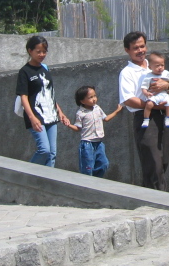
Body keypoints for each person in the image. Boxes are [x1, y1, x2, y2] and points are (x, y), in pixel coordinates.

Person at [118, 31, 169, 191]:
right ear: (127, 50)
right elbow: (128, 100)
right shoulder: (127, 73)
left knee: (163, 162)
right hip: (146, 119)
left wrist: (167, 85)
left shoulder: (155, 66)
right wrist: (154, 106)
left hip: (163, 117)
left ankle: (149, 195)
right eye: (135, 48)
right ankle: (158, 199)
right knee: (153, 163)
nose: (140, 51)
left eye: (142, 46)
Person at [16, 35, 70, 167]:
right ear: (30, 51)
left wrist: (60, 112)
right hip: (36, 115)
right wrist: (32, 117)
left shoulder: (45, 68)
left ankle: (48, 179)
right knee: (44, 150)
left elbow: (49, 93)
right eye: (38, 51)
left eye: (44, 51)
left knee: (52, 153)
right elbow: (23, 96)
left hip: (51, 114)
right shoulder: (25, 71)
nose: (42, 54)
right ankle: (26, 174)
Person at [65, 85, 122, 178]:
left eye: (95, 96)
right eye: (90, 97)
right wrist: (68, 125)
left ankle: (95, 181)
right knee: (88, 168)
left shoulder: (97, 108)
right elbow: (78, 128)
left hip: (99, 143)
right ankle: (87, 184)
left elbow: (106, 118)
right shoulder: (80, 113)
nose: (94, 99)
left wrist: (117, 111)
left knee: (104, 164)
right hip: (87, 144)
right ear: (82, 101)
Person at [140, 51, 169, 128]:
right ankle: (146, 119)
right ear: (150, 67)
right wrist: (146, 93)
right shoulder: (148, 76)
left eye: (162, 65)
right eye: (157, 66)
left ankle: (168, 119)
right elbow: (144, 87)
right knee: (149, 104)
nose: (160, 67)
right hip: (154, 95)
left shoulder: (166, 73)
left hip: (164, 94)